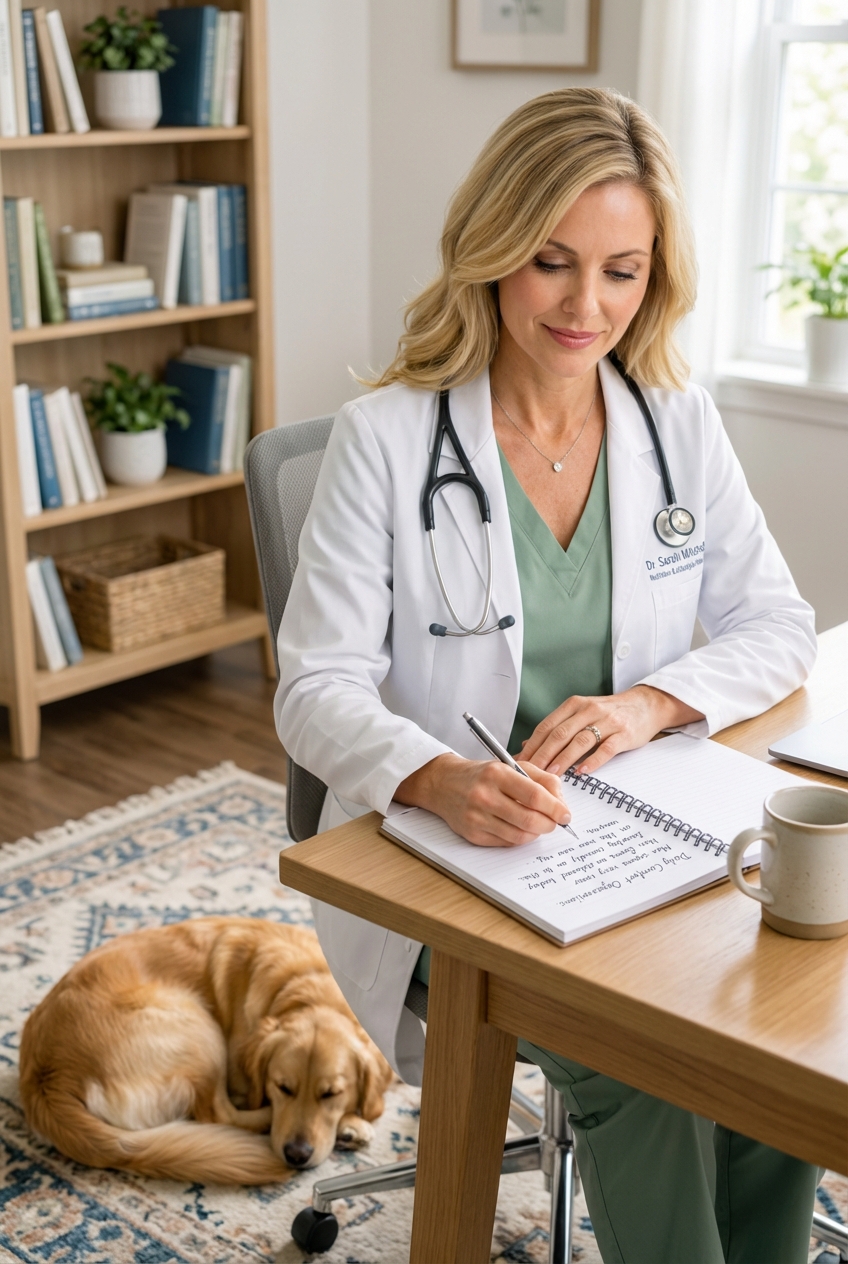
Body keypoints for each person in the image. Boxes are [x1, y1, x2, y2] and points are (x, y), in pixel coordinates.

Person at [275, 88, 818, 1263]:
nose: (586, 307)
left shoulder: (673, 419)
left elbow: (775, 621)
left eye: (622, 271)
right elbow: (313, 687)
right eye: (552, 262)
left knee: (769, 1043)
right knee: (653, 1071)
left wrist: (648, 703)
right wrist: (433, 776)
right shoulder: (387, 439)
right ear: (491, 249)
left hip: (645, 833)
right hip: (466, 858)